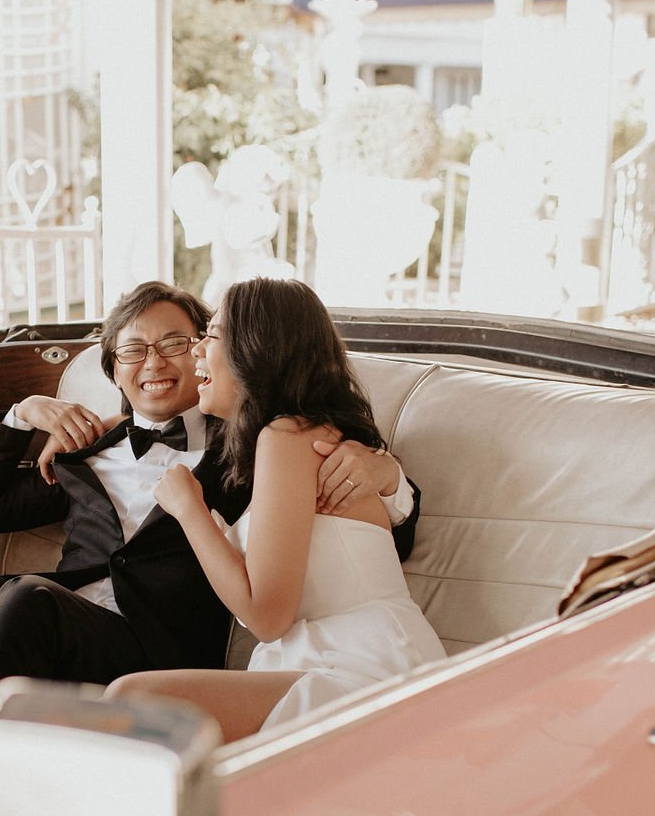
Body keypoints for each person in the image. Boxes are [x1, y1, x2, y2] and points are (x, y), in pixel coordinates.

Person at [0, 280, 417, 690]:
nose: (155, 362)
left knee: (28, 600)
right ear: (114, 370)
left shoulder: (249, 444)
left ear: (210, 352)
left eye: (176, 343)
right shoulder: (85, 452)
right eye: (133, 349)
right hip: (49, 617)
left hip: (155, 646)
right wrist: (22, 414)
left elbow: (361, 540)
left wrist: (388, 475)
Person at [106, 278, 445, 742]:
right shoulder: (275, 442)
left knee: (132, 700)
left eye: (212, 335)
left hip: (360, 665)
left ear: (255, 349)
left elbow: (266, 618)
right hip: (314, 660)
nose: (197, 350)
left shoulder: (290, 438)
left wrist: (190, 511)